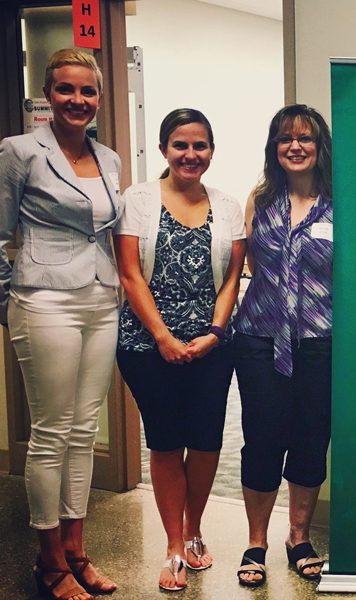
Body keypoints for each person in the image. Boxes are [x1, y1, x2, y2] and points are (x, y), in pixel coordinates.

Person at [0, 49, 121, 600]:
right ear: (49, 94)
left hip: (102, 297)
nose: (78, 100)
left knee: (83, 428)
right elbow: (0, 236)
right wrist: (9, 302)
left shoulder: (110, 159)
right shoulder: (19, 151)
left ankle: (77, 550)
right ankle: (48, 560)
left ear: (98, 98)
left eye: (87, 92)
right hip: (43, 297)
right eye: (67, 90)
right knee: (50, 435)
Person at [114, 108, 246, 592]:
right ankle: (173, 544)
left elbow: (233, 276)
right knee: (166, 441)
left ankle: (194, 532)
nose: (191, 154)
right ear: (166, 148)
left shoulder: (228, 205)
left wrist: (215, 331)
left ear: (211, 150)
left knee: (207, 440)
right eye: (181, 145)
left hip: (212, 345)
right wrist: (163, 337)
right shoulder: (139, 200)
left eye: (201, 145)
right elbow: (130, 273)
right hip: (147, 345)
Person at [233, 104, 332, 587]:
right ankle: (257, 541)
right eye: (286, 138)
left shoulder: (340, 203)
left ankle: (299, 536)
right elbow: (242, 265)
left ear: (320, 147)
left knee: (312, 438)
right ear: (275, 147)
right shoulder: (260, 199)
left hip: (320, 340)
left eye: (306, 138)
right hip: (258, 337)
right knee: (263, 439)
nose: (295, 146)